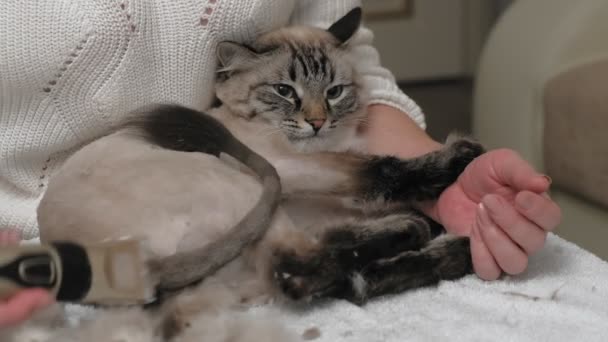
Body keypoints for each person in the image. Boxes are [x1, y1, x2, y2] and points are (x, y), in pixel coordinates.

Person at [0, 0, 561, 327]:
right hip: (30, 259)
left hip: (175, 269)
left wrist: (446, 190)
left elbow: (346, 57)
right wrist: (409, 176)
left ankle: (345, 266)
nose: (314, 116)